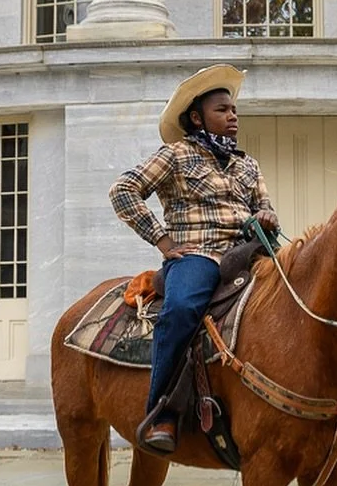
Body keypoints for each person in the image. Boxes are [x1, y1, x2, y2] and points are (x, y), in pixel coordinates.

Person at [109, 66, 279, 453]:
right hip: (198, 255)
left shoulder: (247, 164)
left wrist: (267, 216)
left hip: (248, 251)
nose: (233, 116)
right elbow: (123, 190)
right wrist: (163, 241)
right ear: (197, 117)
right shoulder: (177, 154)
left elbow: (264, 206)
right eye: (223, 109)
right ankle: (162, 411)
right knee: (183, 308)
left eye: (234, 109)